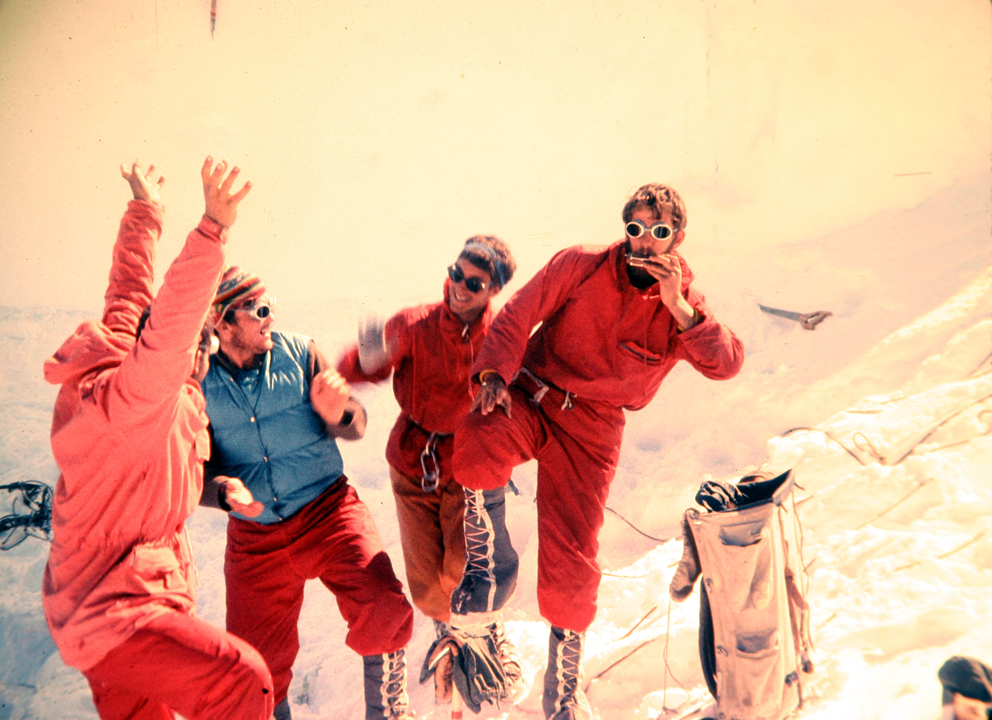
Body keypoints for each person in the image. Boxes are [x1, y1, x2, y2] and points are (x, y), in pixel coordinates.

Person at [450, 183, 745, 719]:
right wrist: (494, 373)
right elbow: (519, 313)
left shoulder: (683, 305)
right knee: (475, 441)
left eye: (658, 233)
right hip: (531, 393)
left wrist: (678, 307)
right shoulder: (582, 265)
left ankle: (562, 692)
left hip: (592, 430)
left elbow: (726, 363)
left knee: (573, 561)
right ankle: (489, 582)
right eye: (635, 229)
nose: (644, 243)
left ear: (677, 238)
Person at [42, 158, 272, 720]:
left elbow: (128, 292)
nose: (206, 355)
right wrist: (211, 230)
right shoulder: (138, 400)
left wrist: (146, 211)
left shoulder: (119, 365)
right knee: (245, 681)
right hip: (119, 614)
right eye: (203, 344)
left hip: (99, 615)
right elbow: (168, 327)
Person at [199, 265, 415, 720]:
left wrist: (338, 414)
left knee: (381, 603)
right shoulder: (199, 382)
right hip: (255, 534)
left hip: (327, 512)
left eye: (270, 307)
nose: (268, 318)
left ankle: (388, 710)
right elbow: (188, 466)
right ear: (222, 322)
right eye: (257, 311)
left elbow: (356, 421)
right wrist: (221, 491)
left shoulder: (299, 354)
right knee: (252, 664)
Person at [336, 236, 519, 685]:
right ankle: (449, 634)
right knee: (424, 579)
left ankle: (485, 631)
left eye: (473, 283)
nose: (458, 286)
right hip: (412, 458)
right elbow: (362, 370)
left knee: (464, 564)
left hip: (468, 460)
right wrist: (364, 357)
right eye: (455, 273)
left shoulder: (501, 337)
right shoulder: (415, 324)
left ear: (492, 290)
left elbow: (522, 378)